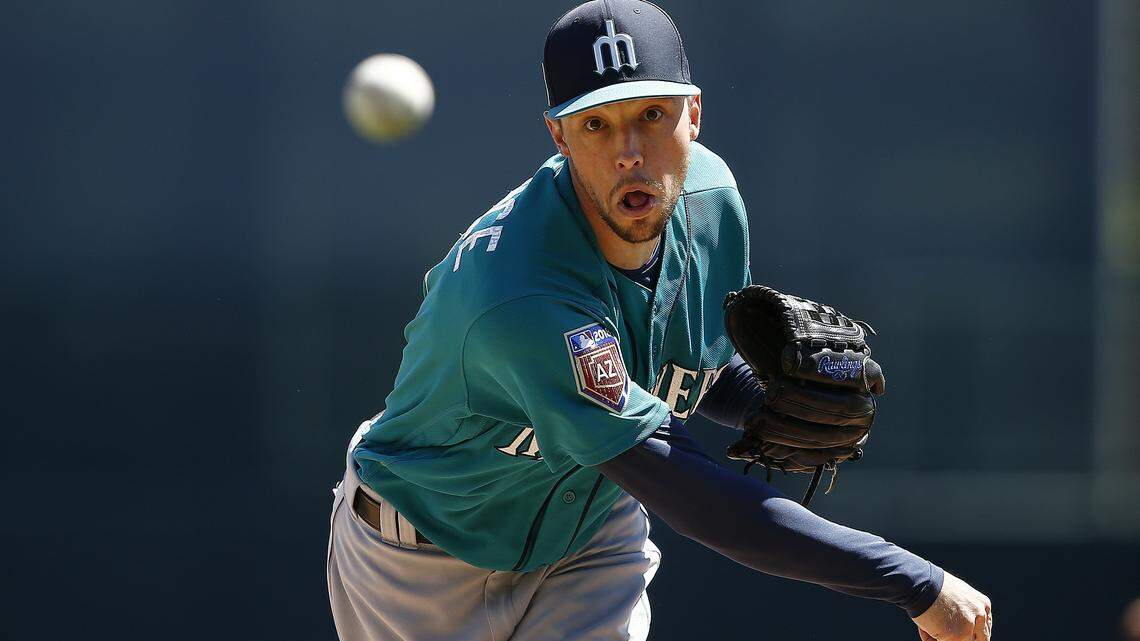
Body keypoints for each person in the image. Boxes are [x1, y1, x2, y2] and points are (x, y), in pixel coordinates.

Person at [326, 1, 993, 640]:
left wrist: (763, 396)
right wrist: (917, 583)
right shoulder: (521, 297)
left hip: (586, 535)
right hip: (421, 563)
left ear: (693, 113)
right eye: (596, 124)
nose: (629, 153)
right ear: (557, 135)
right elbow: (694, 496)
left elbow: (685, 365)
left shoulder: (712, 205)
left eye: (651, 114)